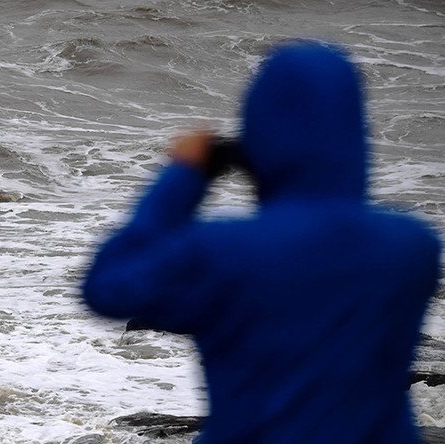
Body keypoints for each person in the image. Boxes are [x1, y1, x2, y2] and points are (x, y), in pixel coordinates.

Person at [82, 40, 441, 443]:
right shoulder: (411, 246)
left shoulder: (222, 250)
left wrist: (184, 176)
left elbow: (107, 288)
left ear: (260, 131)